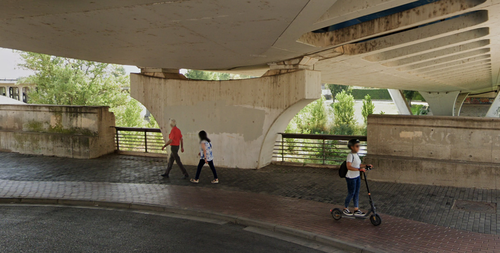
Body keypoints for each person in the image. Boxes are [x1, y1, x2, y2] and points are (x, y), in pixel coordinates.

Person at [343, 139, 372, 217]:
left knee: (356, 193)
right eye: (357, 146)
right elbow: (349, 166)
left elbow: (358, 165)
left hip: (357, 176)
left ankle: (356, 209)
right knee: (351, 193)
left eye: (359, 146)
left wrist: (366, 165)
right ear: (352, 147)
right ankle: (345, 208)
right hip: (351, 177)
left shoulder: (356, 155)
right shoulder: (350, 155)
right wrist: (359, 169)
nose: (358, 147)